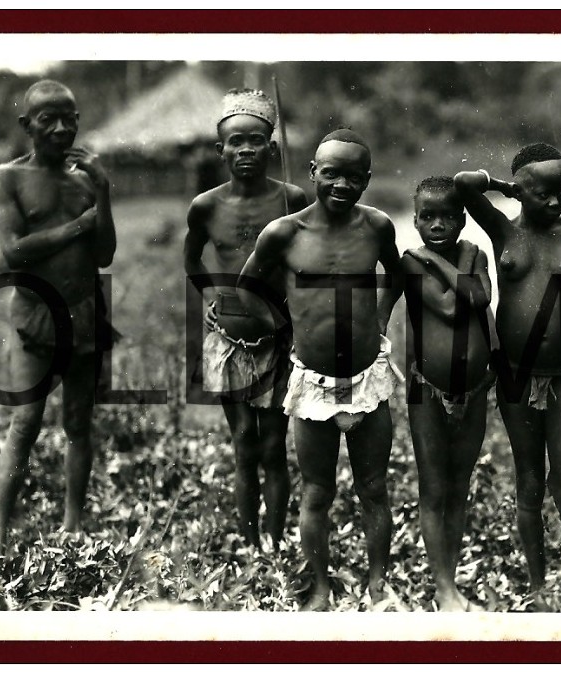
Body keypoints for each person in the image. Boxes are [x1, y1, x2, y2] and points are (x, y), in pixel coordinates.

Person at [238, 128, 404, 611]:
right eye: (331, 173)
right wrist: (282, 326)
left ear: (367, 179)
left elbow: (394, 276)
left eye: (354, 176)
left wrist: (379, 316)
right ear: (313, 172)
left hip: (367, 380)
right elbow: (247, 286)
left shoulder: (377, 227)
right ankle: (320, 585)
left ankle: (377, 583)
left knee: (374, 487)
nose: (342, 185)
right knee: (317, 491)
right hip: (312, 384)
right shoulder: (284, 232)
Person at [454, 143, 561, 609]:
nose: (555, 200)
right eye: (541, 192)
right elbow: (462, 186)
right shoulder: (502, 230)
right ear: (521, 192)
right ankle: (539, 590)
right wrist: (504, 188)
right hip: (516, 376)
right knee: (529, 483)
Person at [0, 80, 117, 550]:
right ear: (27, 126)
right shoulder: (8, 177)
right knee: (26, 421)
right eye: (48, 119)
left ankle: (73, 523)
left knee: (79, 424)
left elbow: (104, 255)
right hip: (36, 315)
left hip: (84, 313)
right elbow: (13, 251)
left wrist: (102, 194)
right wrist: (80, 224)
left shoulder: (87, 179)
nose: (61, 128)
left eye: (70, 118)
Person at [184, 88, 308, 550]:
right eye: (236, 142)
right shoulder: (206, 206)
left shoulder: (292, 198)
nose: (246, 150)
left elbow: (306, 261)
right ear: (221, 151)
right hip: (227, 340)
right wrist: (215, 300)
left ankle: (274, 541)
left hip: (279, 338)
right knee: (244, 446)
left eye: (256, 140)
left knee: (275, 447)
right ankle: (250, 540)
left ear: (272, 148)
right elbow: (192, 260)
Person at [401, 176, 495, 612]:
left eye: (447, 217)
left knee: (460, 485)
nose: (437, 225)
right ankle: (443, 588)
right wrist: (435, 263)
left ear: (462, 219)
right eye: (427, 217)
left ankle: (450, 581)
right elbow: (451, 306)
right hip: (427, 390)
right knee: (434, 487)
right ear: (416, 219)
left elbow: (480, 298)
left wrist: (436, 263)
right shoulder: (411, 263)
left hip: (475, 389)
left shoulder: (469, 254)